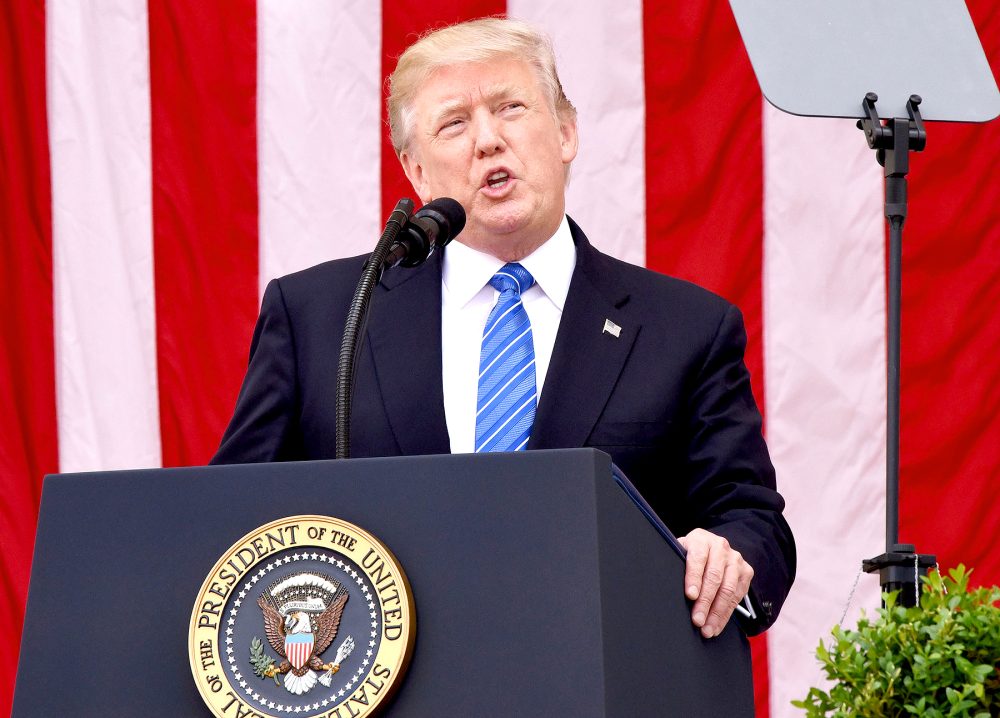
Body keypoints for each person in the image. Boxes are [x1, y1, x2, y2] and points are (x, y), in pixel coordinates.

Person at [212, 17, 795, 638]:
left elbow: (751, 520)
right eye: (454, 123)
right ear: (413, 169)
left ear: (567, 133)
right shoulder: (322, 316)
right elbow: (228, 520)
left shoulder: (685, 328)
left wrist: (727, 555)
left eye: (510, 107)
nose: (488, 140)